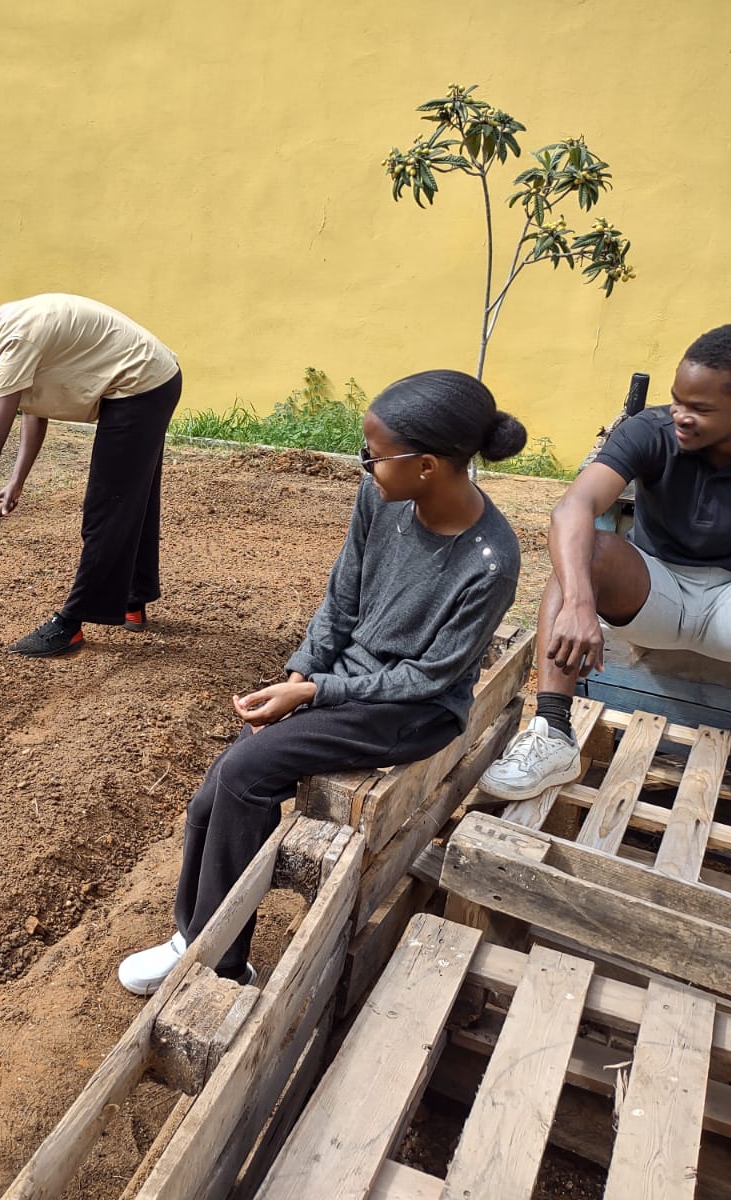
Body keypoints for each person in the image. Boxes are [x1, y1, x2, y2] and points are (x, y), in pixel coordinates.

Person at [117, 370, 527, 995]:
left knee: (243, 776)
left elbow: (430, 676)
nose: (364, 466)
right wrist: (300, 673)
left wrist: (314, 694)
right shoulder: (380, 501)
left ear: (427, 466)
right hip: (342, 683)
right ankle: (195, 937)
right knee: (217, 792)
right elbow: (341, 602)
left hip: (410, 711)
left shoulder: (489, 561)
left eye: (375, 456)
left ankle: (219, 963)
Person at [479, 324, 731, 878]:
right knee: (585, 550)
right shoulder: (652, 431)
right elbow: (573, 508)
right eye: (676, 400)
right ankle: (552, 733)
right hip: (655, 592)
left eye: (701, 408)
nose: (680, 415)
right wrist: (576, 603)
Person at [0, 292, 182, 657]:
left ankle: (70, 624)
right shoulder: (5, 334)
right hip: (151, 380)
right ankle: (134, 598)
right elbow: (35, 409)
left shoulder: (14, 342)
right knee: (133, 498)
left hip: (141, 385)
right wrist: (16, 481)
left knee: (107, 507)